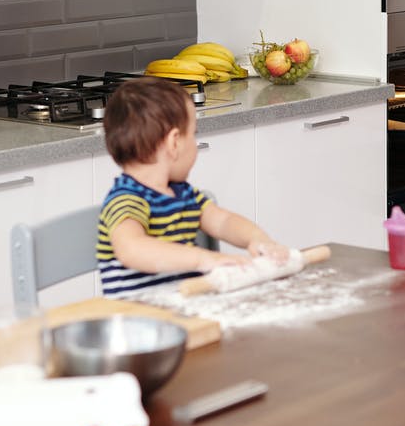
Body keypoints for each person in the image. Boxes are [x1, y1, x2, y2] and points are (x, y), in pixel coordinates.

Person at [97, 77, 290, 297]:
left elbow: (223, 221)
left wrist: (259, 239)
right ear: (174, 143)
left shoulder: (183, 194)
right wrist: (204, 259)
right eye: (193, 134)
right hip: (137, 323)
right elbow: (131, 249)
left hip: (183, 314)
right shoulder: (126, 199)